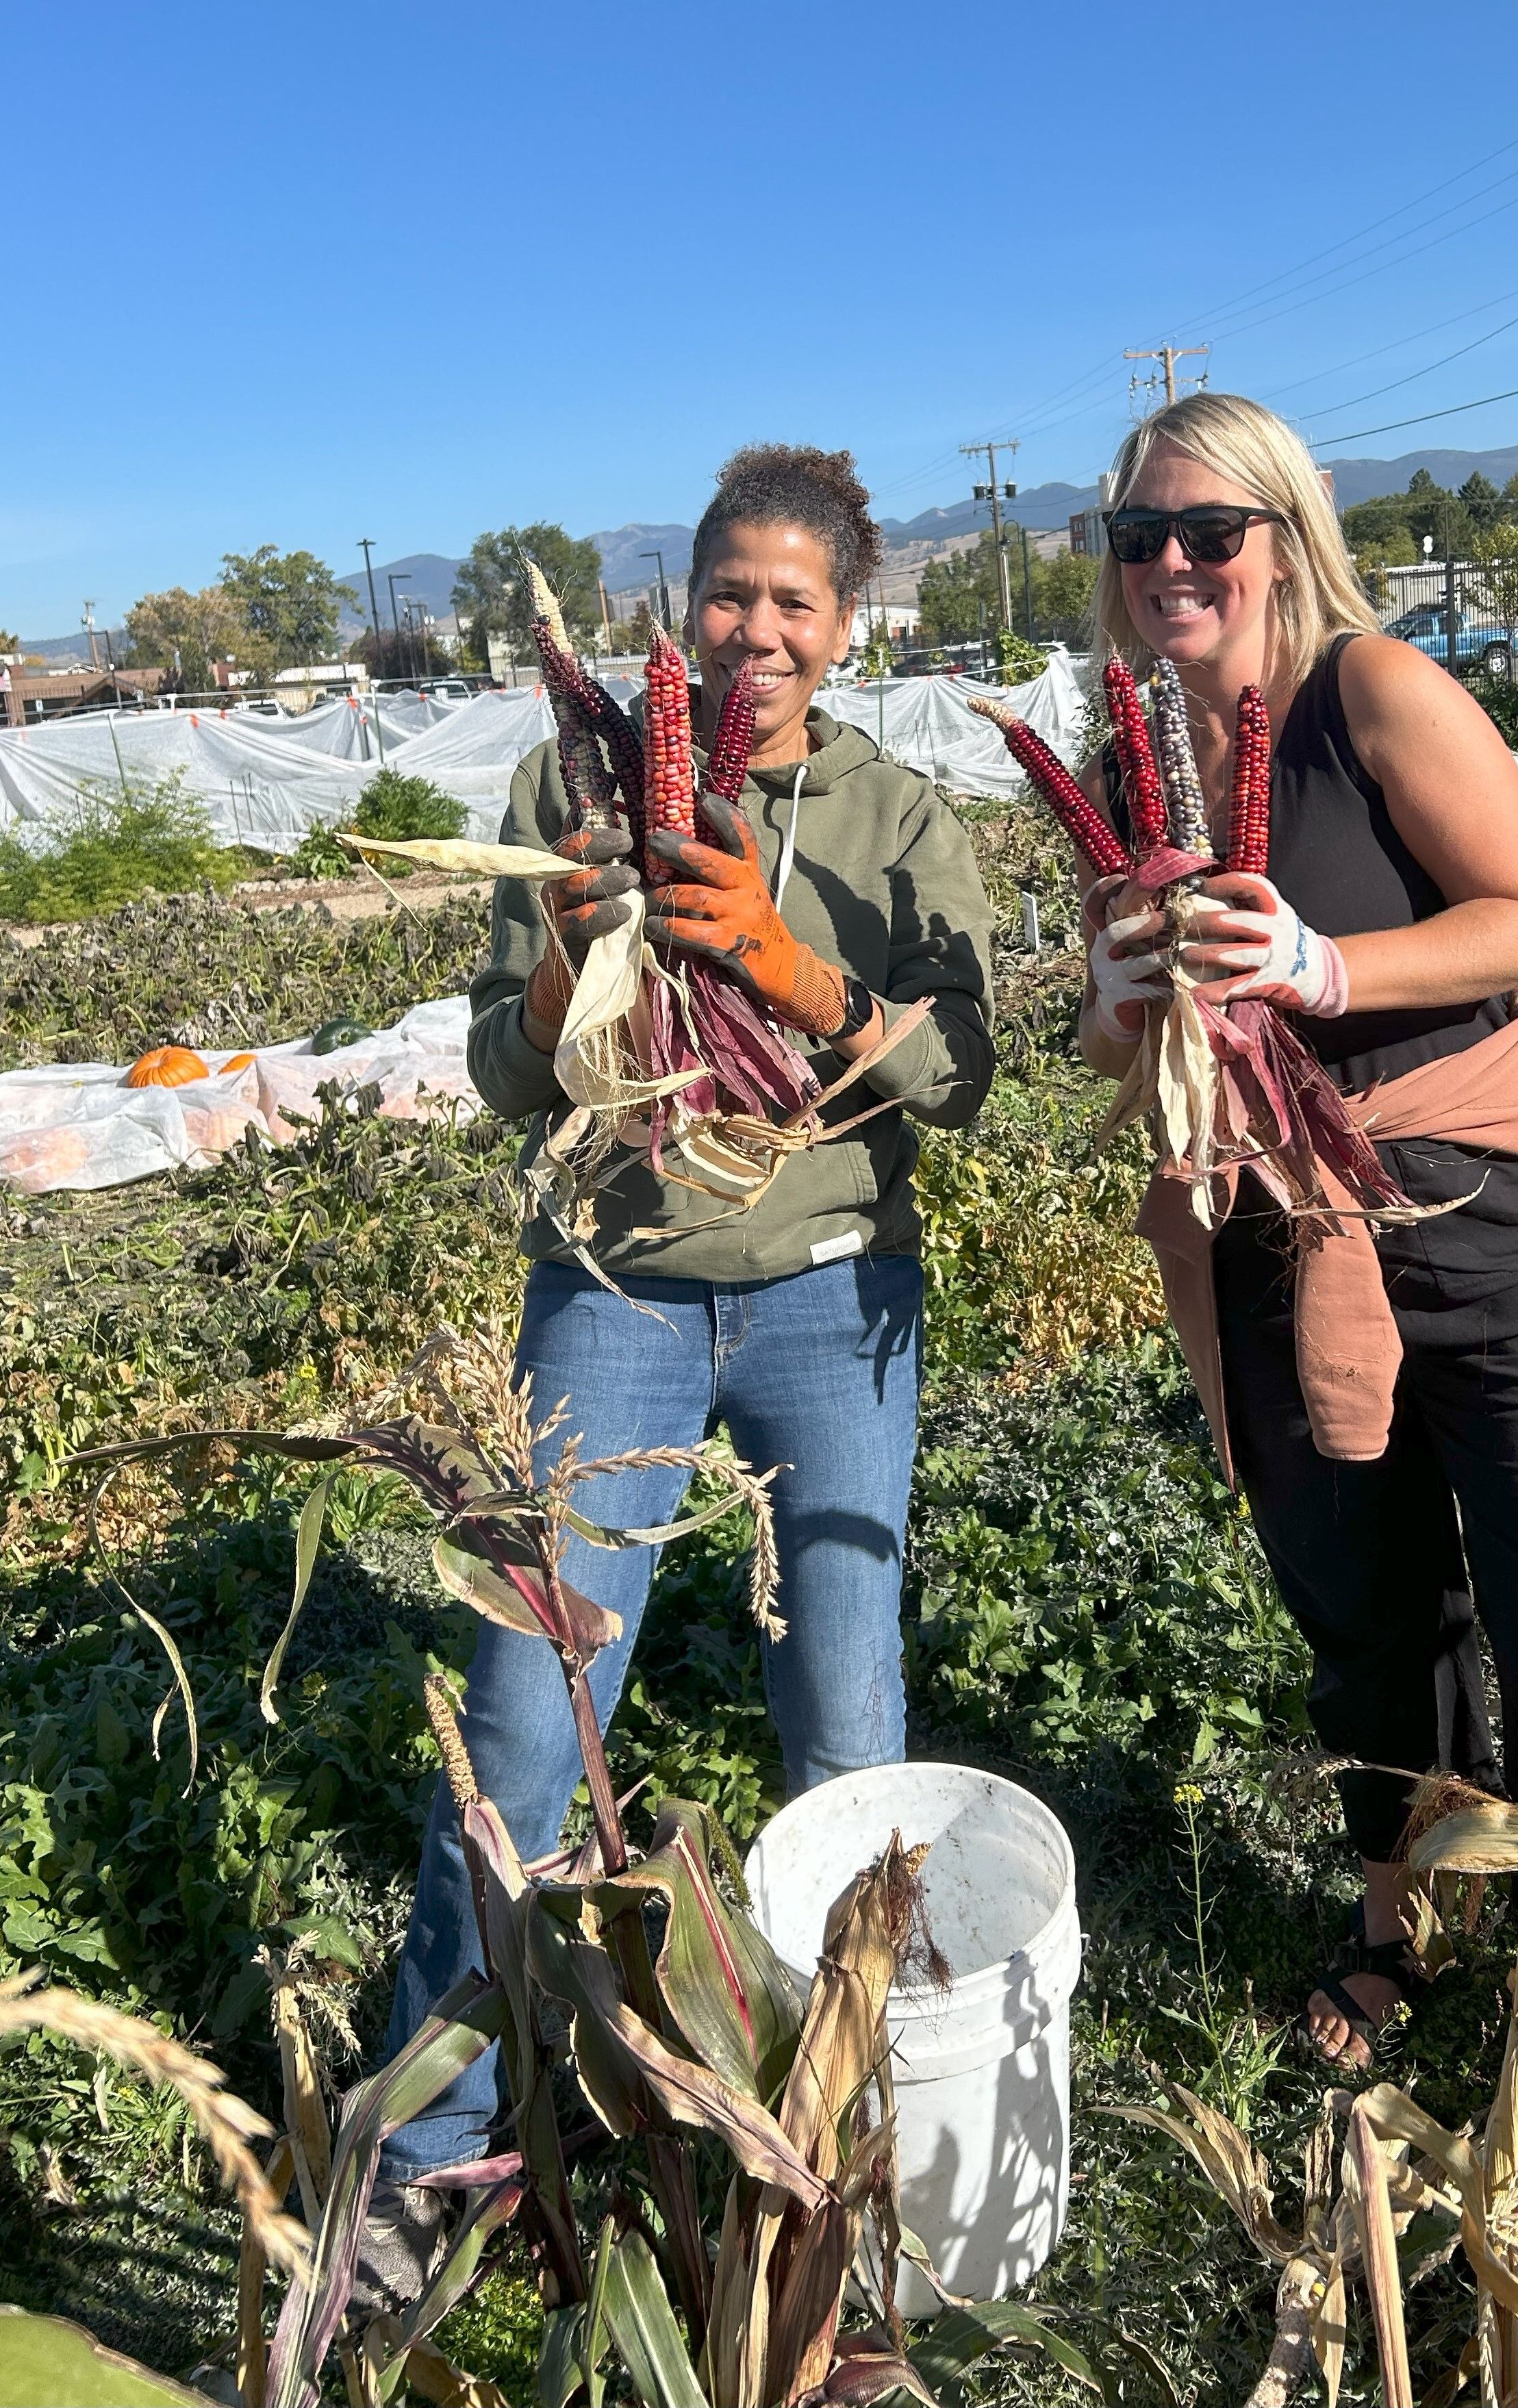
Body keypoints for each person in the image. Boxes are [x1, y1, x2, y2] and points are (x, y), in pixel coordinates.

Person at [1076, 392, 1518, 2070]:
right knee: (1364, 1609)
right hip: (1277, 1222)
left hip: (1474, 1211)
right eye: (1139, 537)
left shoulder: (1369, 691)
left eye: (1207, 532)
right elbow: (1135, 1038)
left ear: (1280, 535)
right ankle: (1391, 1921)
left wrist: (1323, 968)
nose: (1172, 564)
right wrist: (1113, 1005)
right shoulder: (1135, 759)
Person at [362, 443, 995, 2285]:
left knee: (850, 1724)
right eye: (731, 594)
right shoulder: (570, 787)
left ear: (848, 629)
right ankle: (435, 2143)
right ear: (688, 604)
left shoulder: (889, 812)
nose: (759, 631)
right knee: (520, 1713)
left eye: (797, 603)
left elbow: (966, 1075)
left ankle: (840, 2121)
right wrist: (574, 969)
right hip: (612, 1292)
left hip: (827, 1288)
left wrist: (793, 973)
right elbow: (503, 1068)